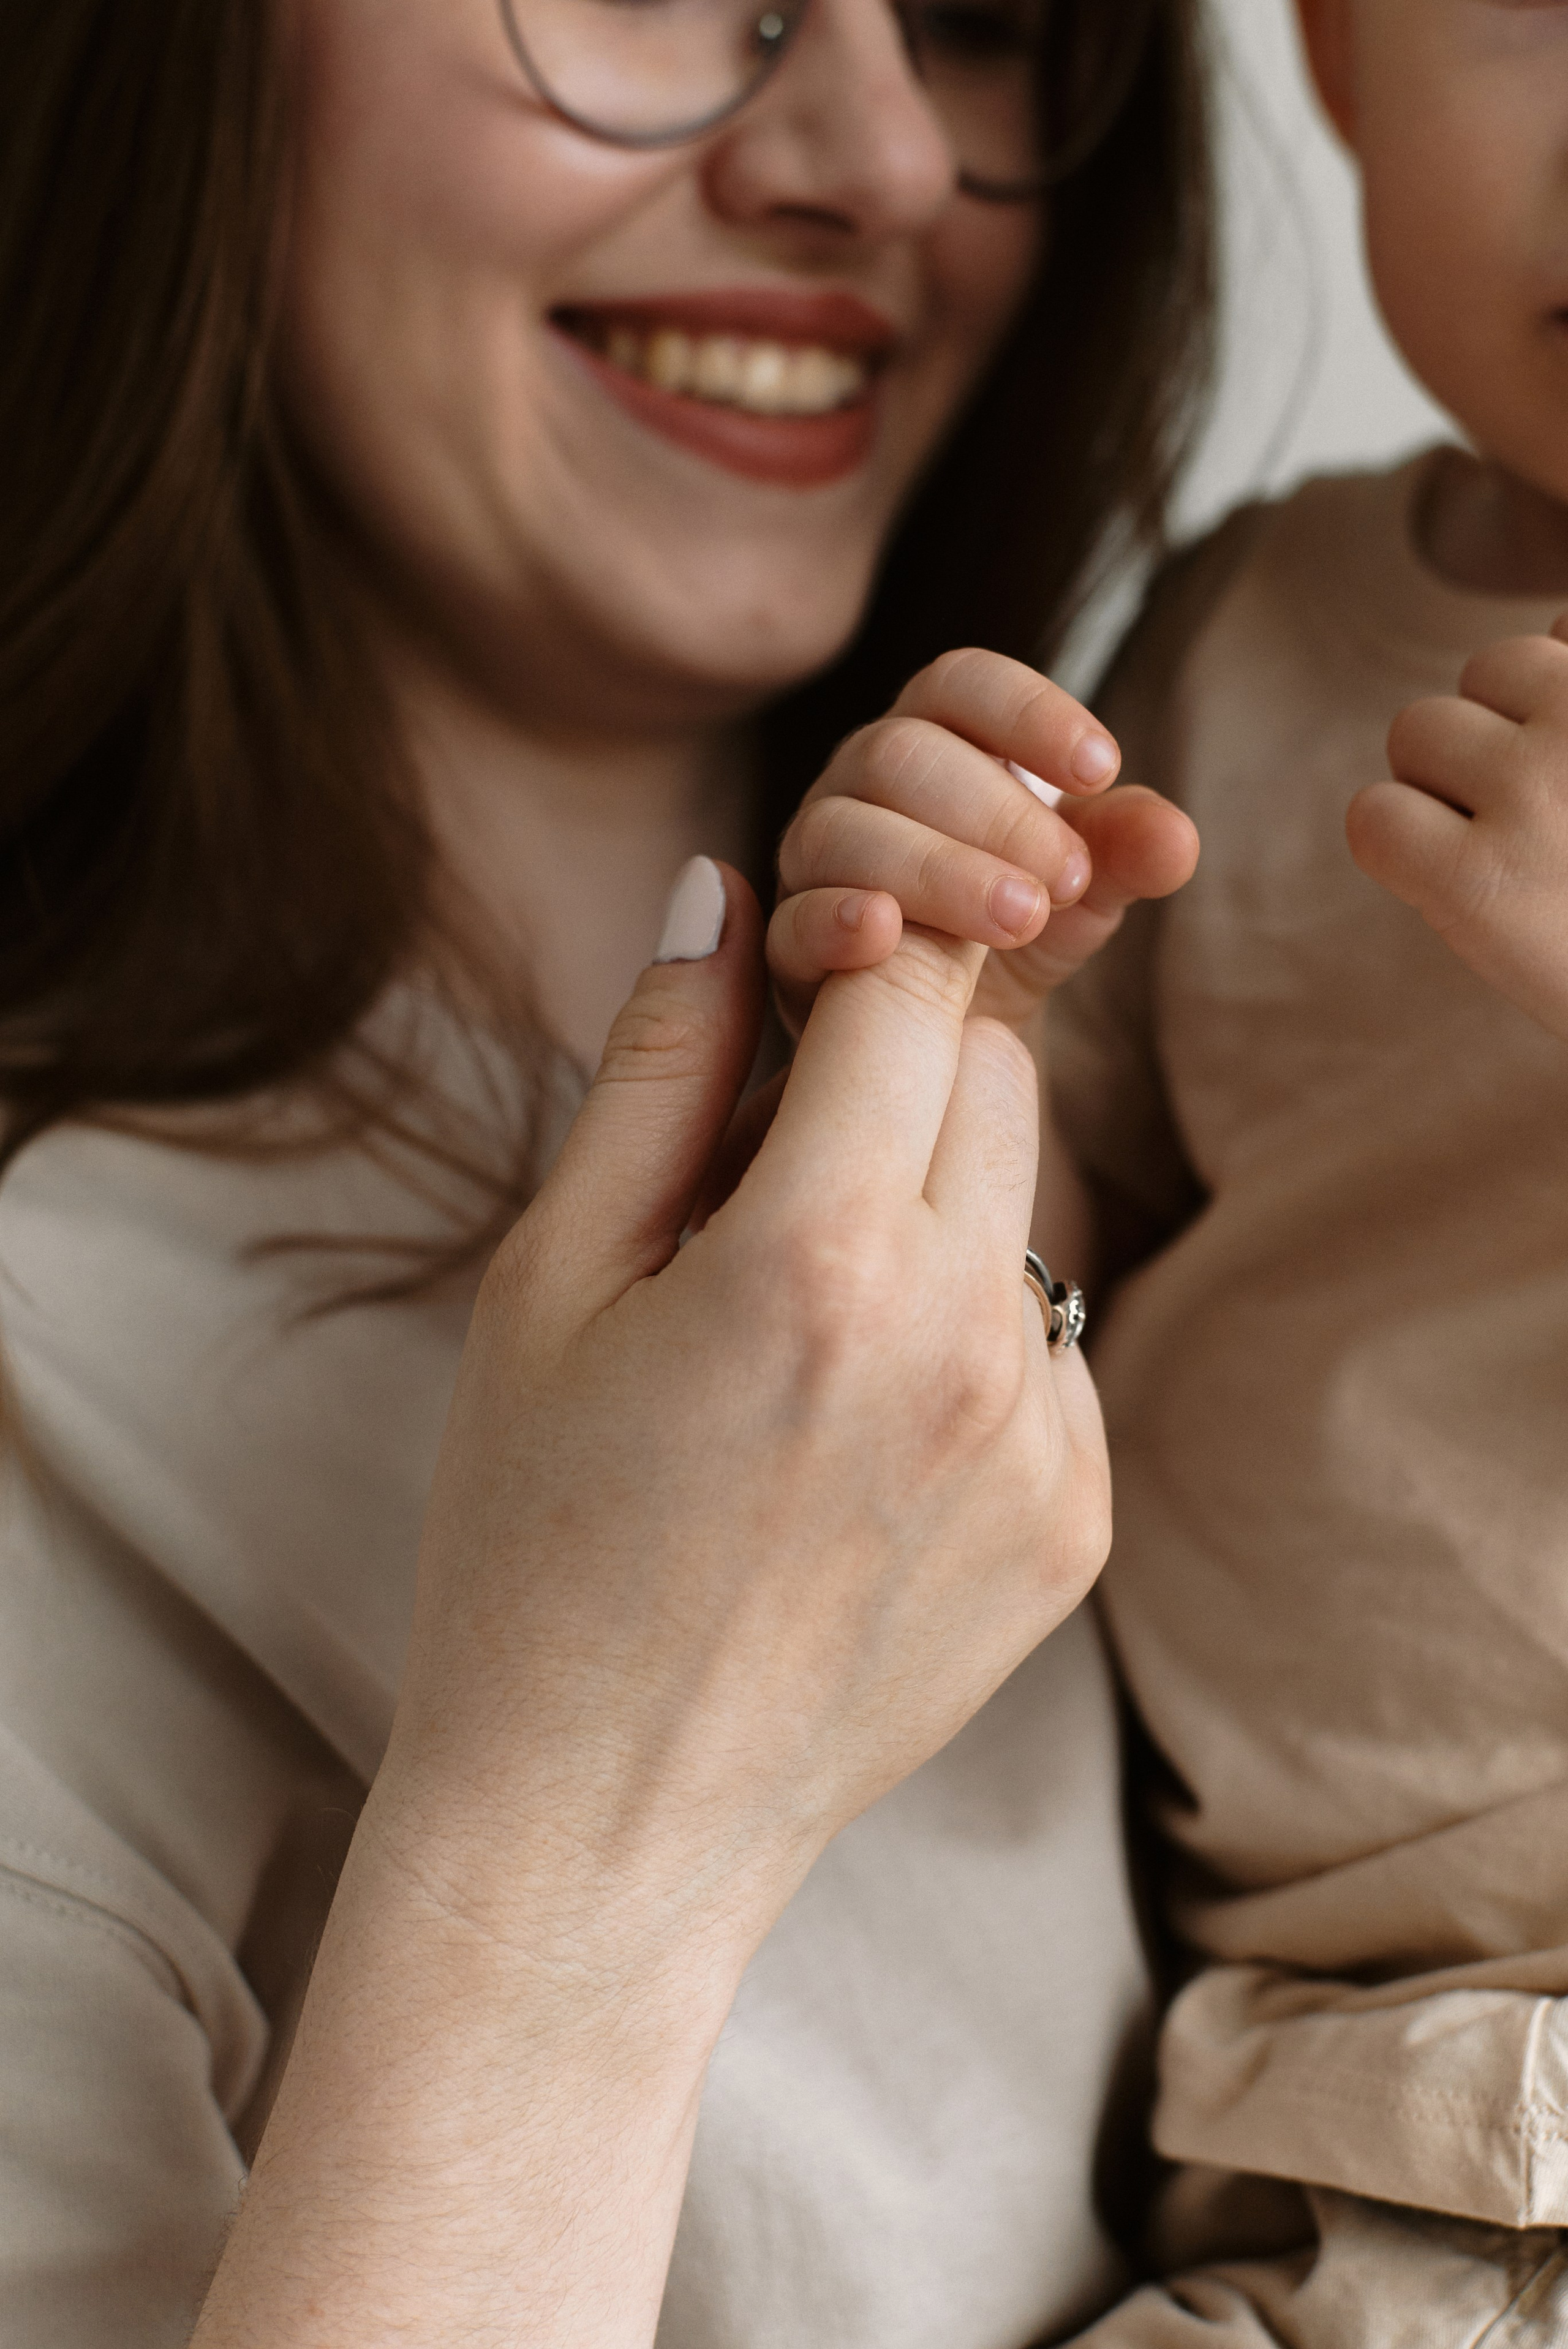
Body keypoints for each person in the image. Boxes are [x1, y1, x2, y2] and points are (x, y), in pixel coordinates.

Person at [0, 0, 1214, 2341]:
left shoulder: (1279, 1056)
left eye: (983, 14)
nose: (875, 155)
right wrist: (589, 1845)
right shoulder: (61, 1396)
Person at [770, 0, 1568, 2335]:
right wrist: (945, 987)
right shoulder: (1242, 627)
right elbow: (1009, 1272)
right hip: (1299, 2127)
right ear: (1334, 62)